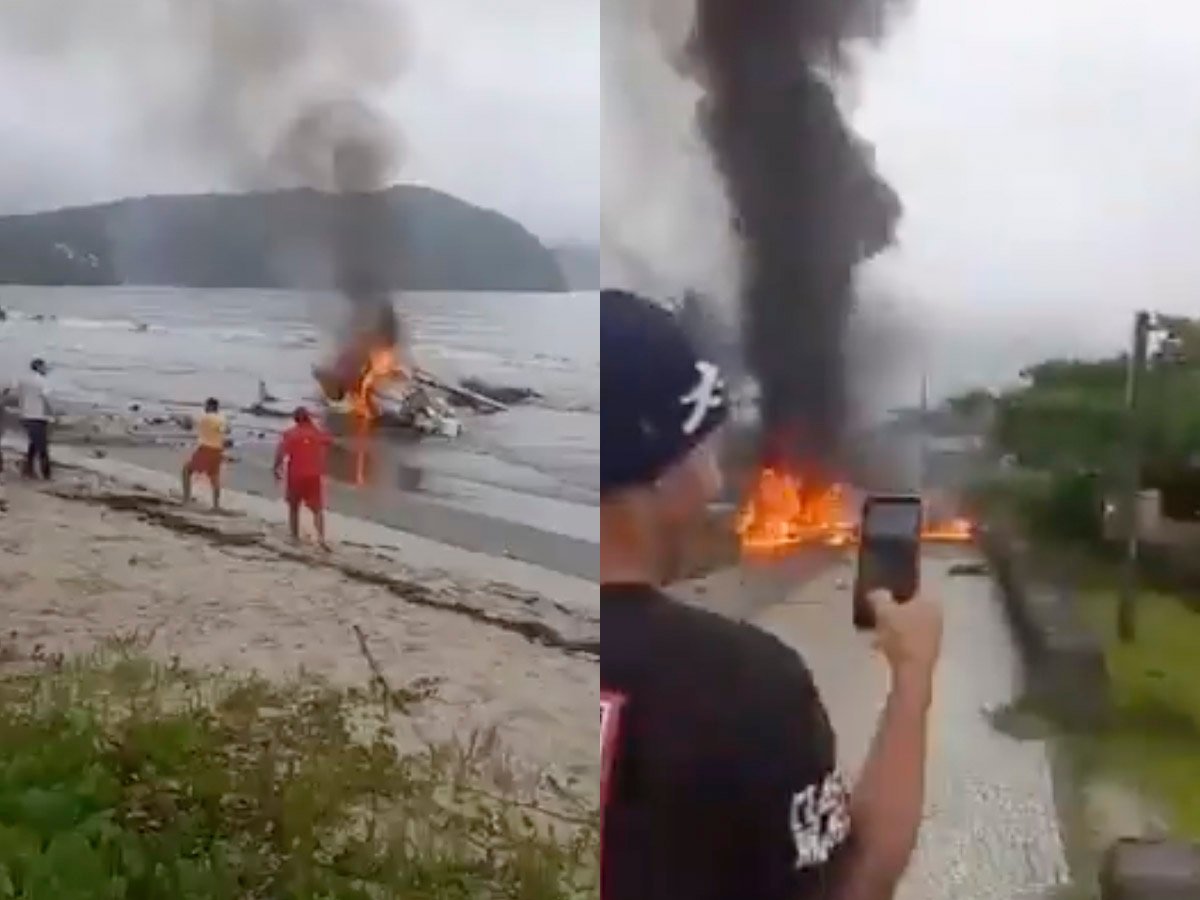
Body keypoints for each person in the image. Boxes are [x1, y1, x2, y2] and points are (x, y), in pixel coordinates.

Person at [600, 289, 943, 900]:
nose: (712, 480)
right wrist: (912, 679)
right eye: (700, 451)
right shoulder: (749, 688)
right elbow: (853, 886)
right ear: (661, 467)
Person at [274, 406, 332, 549]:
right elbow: (329, 440)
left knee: (294, 507)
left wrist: (276, 467)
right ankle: (321, 539)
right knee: (317, 509)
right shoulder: (316, 433)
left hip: (296, 475)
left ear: (295, 419)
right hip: (314, 475)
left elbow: (280, 452)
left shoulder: (289, 434)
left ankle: (294, 537)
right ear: (308, 418)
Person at [182, 397, 228, 509]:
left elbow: (188, 425)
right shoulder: (222, 418)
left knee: (186, 470)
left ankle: (186, 498)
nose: (204, 408)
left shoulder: (204, 417)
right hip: (218, 450)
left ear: (210, 406)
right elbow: (224, 431)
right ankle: (216, 505)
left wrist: (183, 421)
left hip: (205, 449)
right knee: (214, 477)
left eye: (206, 406)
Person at [15, 358, 54, 480]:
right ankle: (46, 475)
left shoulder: (23, 381)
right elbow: (47, 399)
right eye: (44, 367)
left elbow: (19, 398)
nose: (46, 369)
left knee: (33, 444)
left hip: (25, 416)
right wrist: (53, 414)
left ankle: (28, 470)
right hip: (38, 416)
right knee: (42, 448)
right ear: (39, 368)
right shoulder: (42, 382)